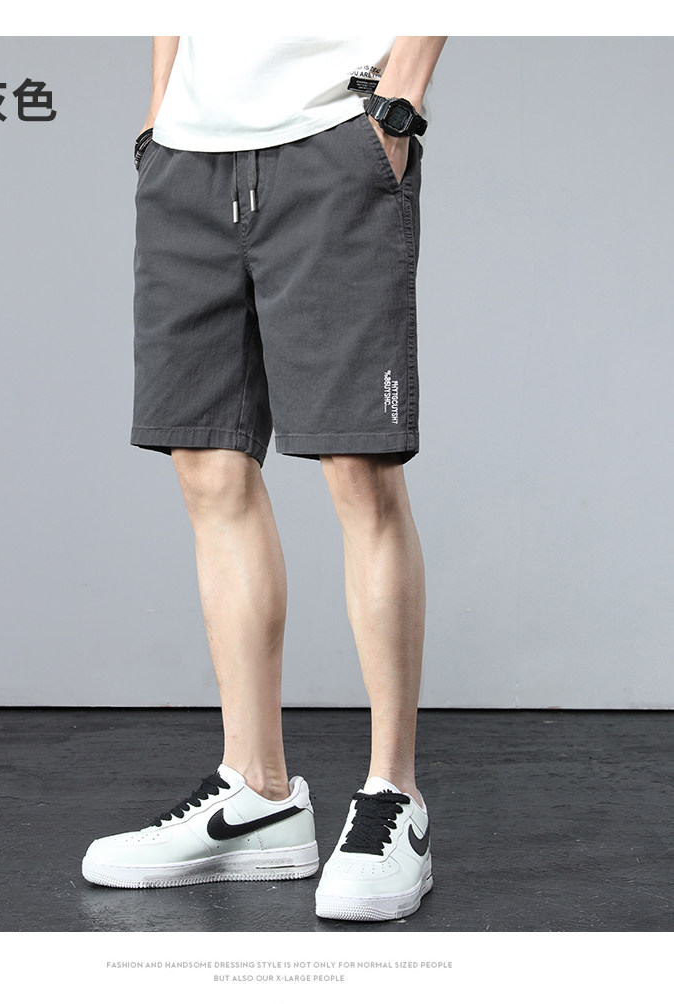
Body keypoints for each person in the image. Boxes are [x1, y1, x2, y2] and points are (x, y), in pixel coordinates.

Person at [82, 34, 447, 923]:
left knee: (358, 468)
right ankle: (259, 794)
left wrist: (399, 100)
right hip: (187, 158)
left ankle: (395, 795)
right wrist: (159, 111)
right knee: (208, 469)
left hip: (334, 139)